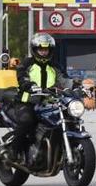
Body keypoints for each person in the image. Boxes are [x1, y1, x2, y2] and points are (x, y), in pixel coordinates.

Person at [11, 33, 68, 166]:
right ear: (35, 49)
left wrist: (79, 85)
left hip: (49, 103)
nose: (43, 52)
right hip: (27, 102)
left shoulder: (55, 66)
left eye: (46, 49)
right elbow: (22, 78)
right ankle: (14, 151)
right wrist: (29, 85)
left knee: (65, 118)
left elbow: (65, 80)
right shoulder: (27, 64)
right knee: (27, 121)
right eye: (41, 49)